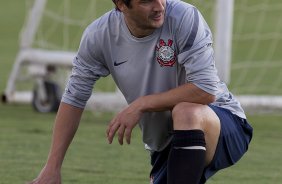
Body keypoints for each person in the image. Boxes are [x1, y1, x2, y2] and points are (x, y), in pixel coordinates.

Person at [29, 0, 253, 183]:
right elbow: (74, 98)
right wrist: (52, 167)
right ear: (121, 5)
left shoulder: (184, 17)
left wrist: (141, 104)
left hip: (223, 121)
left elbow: (205, 90)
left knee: (187, 112)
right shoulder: (99, 35)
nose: (159, 6)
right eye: (146, 1)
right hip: (164, 144)